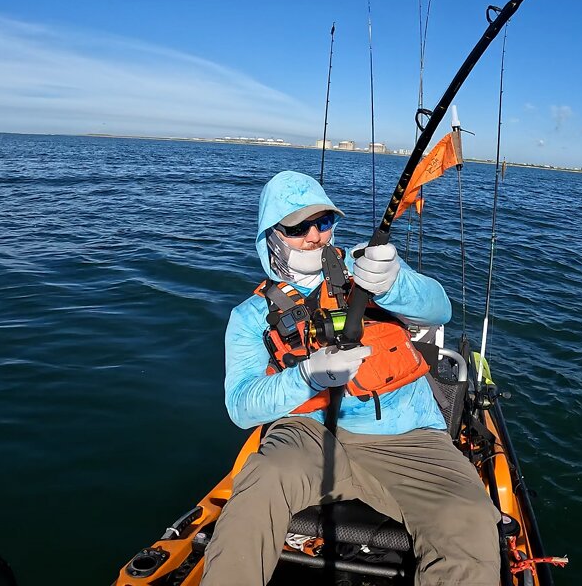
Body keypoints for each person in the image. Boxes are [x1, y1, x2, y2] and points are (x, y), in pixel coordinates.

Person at [201, 170, 500, 586]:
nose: (314, 236)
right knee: (262, 482)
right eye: (298, 227)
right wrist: (307, 375)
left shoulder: (369, 271)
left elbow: (437, 310)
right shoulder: (247, 317)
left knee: (468, 518)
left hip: (409, 436)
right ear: (271, 234)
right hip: (308, 434)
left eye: (323, 222)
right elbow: (241, 406)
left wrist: (396, 282)